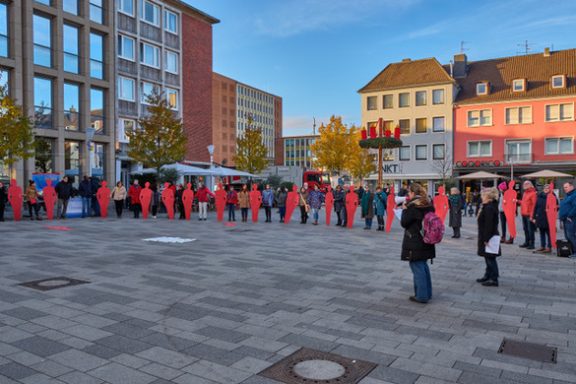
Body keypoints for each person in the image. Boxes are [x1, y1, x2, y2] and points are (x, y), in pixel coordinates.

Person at [400, 183, 435, 303]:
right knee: (423, 266)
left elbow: (404, 222)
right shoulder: (428, 204)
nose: (408, 195)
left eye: (409, 192)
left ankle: (422, 295)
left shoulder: (413, 207)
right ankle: (427, 293)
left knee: (417, 267)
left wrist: (404, 210)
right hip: (426, 240)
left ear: (413, 193)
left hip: (415, 241)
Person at [476, 187, 501, 287]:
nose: (481, 197)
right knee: (487, 257)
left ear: (487, 197)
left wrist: (486, 239)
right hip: (486, 235)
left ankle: (494, 278)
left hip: (489, 236)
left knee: (490, 258)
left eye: (483, 195)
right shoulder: (487, 206)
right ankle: (488, 275)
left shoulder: (489, 207)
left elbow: (489, 224)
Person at [533, 184, 554, 254]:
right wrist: (534, 216)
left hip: (548, 217)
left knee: (549, 233)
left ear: (550, 189)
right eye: (545, 188)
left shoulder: (552, 196)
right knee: (541, 232)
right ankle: (542, 246)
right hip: (540, 217)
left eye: (548, 188)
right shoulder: (539, 196)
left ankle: (549, 247)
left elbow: (556, 207)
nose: (546, 189)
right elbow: (535, 207)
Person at [559, 181, 576, 258]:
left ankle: (575, 252)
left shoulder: (574, 195)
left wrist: (570, 216)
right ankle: (572, 251)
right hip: (565, 219)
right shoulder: (567, 195)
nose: (564, 189)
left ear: (571, 187)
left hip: (571, 219)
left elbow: (575, 207)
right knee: (567, 236)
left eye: (566, 187)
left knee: (571, 235)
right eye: (564, 187)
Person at [519, 180, 537, 250]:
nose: (525, 185)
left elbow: (534, 205)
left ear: (530, 185)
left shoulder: (533, 193)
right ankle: (527, 242)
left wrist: (532, 216)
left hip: (529, 214)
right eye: (524, 184)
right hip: (524, 213)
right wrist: (517, 201)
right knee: (525, 229)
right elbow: (524, 202)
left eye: (526, 184)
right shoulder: (525, 193)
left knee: (530, 230)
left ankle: (532, 244)